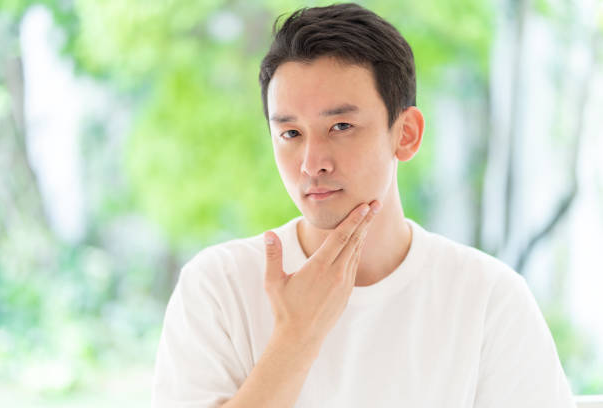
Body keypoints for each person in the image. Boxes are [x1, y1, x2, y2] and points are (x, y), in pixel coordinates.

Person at [152, 3, 576, 407]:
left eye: (341, 126)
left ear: (405, 133)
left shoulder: (488, 298)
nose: (312, 163)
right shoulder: (217, 287)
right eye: (291, 134)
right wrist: (297, 335)